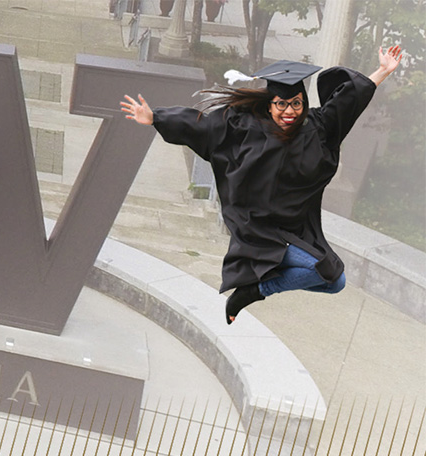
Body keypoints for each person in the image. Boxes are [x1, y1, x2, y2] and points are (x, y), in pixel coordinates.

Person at [121, 46, 403, 324]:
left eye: (296, 103)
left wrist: (382, 70)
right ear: (270, 104)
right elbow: (202, 127)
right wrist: (156, 118)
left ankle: (256, 287)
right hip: (256, 226)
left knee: (335, 282)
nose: (289, 111)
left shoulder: (318, 128)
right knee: (324, 270)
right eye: (281, 104)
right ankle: (255, 289)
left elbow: (349, 100)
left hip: (295, 228)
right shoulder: (246, 127)